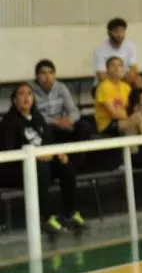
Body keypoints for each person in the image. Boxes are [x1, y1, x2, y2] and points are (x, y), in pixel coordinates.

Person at [0, 83, 86, 235]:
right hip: (15, 169)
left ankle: (69, 213)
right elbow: (9, 150)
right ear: (14, 100)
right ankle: (45, 218)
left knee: (65, 165)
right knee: (41, 168)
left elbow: (49, 142)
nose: (26, 97)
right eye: (21, 94)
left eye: (29, 94)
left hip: (41, 164)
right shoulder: (9, 122)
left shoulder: (38, 118)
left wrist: (57, 154)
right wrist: (35, 156)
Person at [31, 60, 89, 143]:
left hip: (63, 123)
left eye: (51, 73)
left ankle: (79, 155)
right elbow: (34, 116)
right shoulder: (31, 90)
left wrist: (69, 120)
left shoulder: (61, 87)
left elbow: (74, 111)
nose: (47, 76)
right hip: (45, 125)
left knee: (84, 127)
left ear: (54, 75)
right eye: (43, 73)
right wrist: (55, 122)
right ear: (37, 76)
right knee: (47, 131)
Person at [94, 56, 141, 135]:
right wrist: (132, 117)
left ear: (123, 69)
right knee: (136, 120)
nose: (116, 68)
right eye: (113, 65)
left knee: (139, 119)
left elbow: (132, 106)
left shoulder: (126, 87)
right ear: (107, 69)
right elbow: (114, 114)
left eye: (119, 65)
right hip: (108, 124)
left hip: (124, 120)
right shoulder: (104, 87)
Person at [93, 18, 142, 89]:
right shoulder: (100, 49)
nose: (119, 35)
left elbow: (134, 69)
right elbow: (101, 75)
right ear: (109, 33)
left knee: (138, 81)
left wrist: (122, 85)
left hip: (125, 80)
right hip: (106, 82)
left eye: (122, 31)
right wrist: (116, 85)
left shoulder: (130, 45)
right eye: (116, 31)